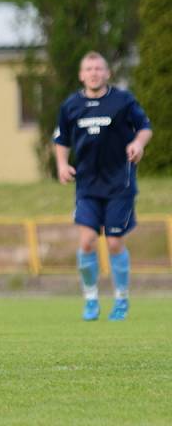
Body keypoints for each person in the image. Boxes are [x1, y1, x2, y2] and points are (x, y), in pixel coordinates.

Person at [53, 51, 152, 322]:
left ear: (107, 73)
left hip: (120, 184)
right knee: (86, 242)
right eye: (89, 69)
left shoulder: (123, 100)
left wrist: (138, 144)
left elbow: (144, 127)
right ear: (81, 75)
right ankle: (91, 298)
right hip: (87, 185)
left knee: (114, 242)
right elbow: (61, 139)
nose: (94, 73)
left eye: (99, 68)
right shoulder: (71, 105)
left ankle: (121, 298)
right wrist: (62, 165)